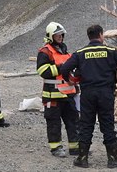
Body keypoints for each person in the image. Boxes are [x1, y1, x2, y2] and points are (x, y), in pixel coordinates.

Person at [60, 24, 117, 169]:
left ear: (89, 36)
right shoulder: (109, 51)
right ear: (100, 35)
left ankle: (82, 158)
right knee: (107, 125)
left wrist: (69, 80)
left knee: (86, 124)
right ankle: (112, 159)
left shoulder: (81, 53)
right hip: (106, 93)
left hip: (88, 94)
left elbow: (65, 68)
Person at [36, 22, 80, 158]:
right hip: (52, 95)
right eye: (57, 35)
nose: (60, 37)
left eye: (61, 34)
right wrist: (62, 67)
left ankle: (75, 147)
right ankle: (56, 148)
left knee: (73, 121)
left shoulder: (64, 50)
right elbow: (43, 71)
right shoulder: (45, 52)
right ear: (51, 36)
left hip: (68, 94)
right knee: (54, 123)